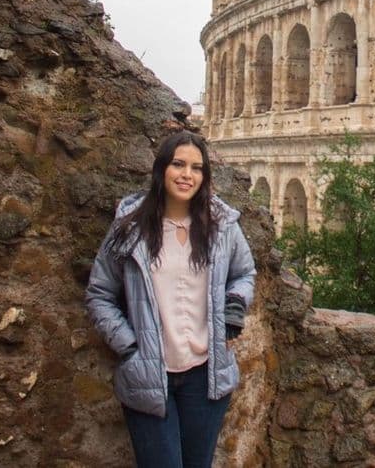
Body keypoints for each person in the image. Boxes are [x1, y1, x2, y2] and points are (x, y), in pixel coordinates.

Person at [86, 131, 256, 468]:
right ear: (162, 168)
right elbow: (99, 293)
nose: (186, 175)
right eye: (178, 164)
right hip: (149, 371)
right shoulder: (130, 226)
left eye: (196, 167)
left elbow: (245, 273)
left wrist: (235, 303)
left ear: (204, 176)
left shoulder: (222, 225)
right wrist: (130, 346)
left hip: (205, 375)